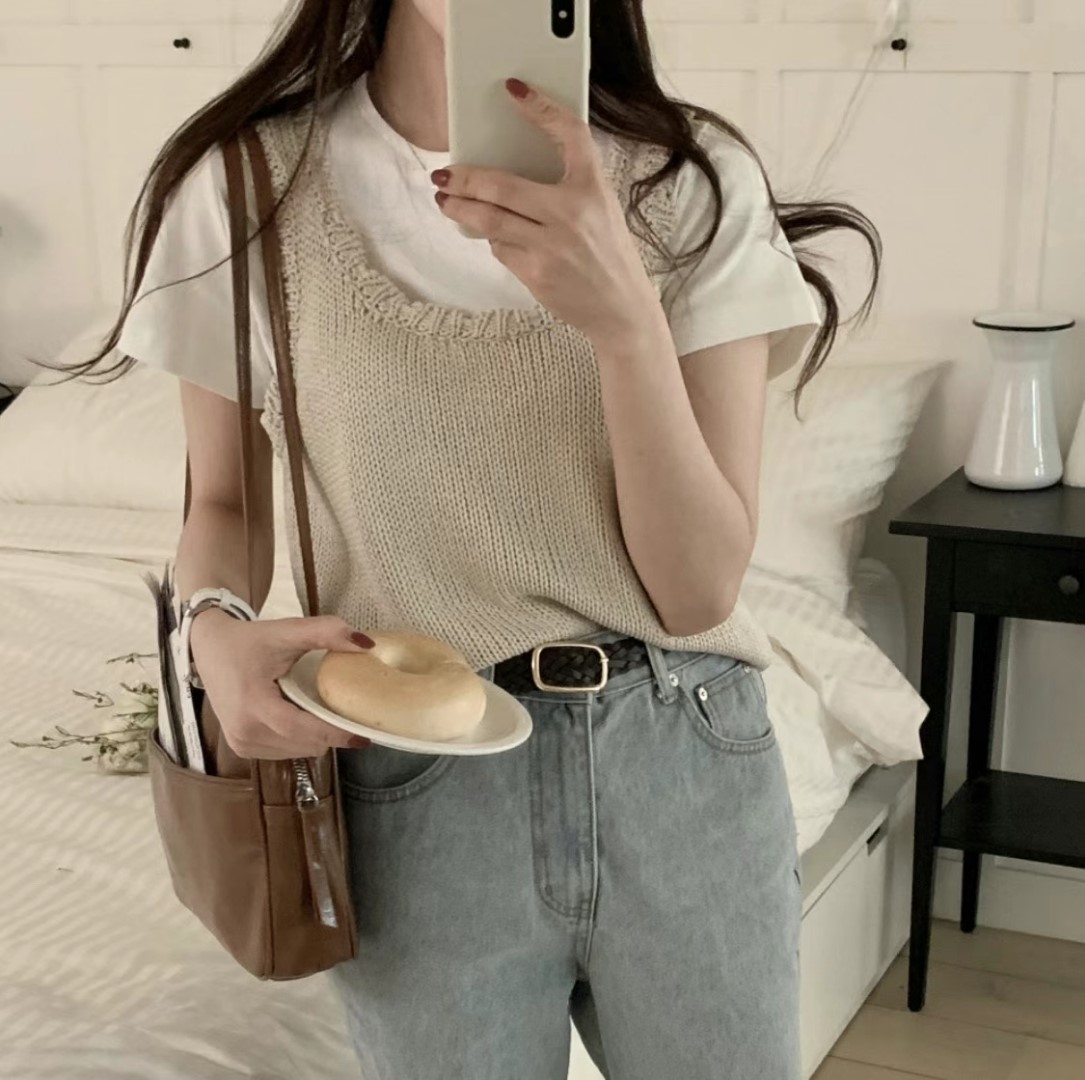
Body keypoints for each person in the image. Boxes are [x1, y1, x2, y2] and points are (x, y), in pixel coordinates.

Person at [59, 1, 881, 1076]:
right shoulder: (247, 186)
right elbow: (222, 507)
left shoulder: (687, 181)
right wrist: (211, 638)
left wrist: (625, 322)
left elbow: (694, 592)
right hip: (412, 786)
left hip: (682, 763)